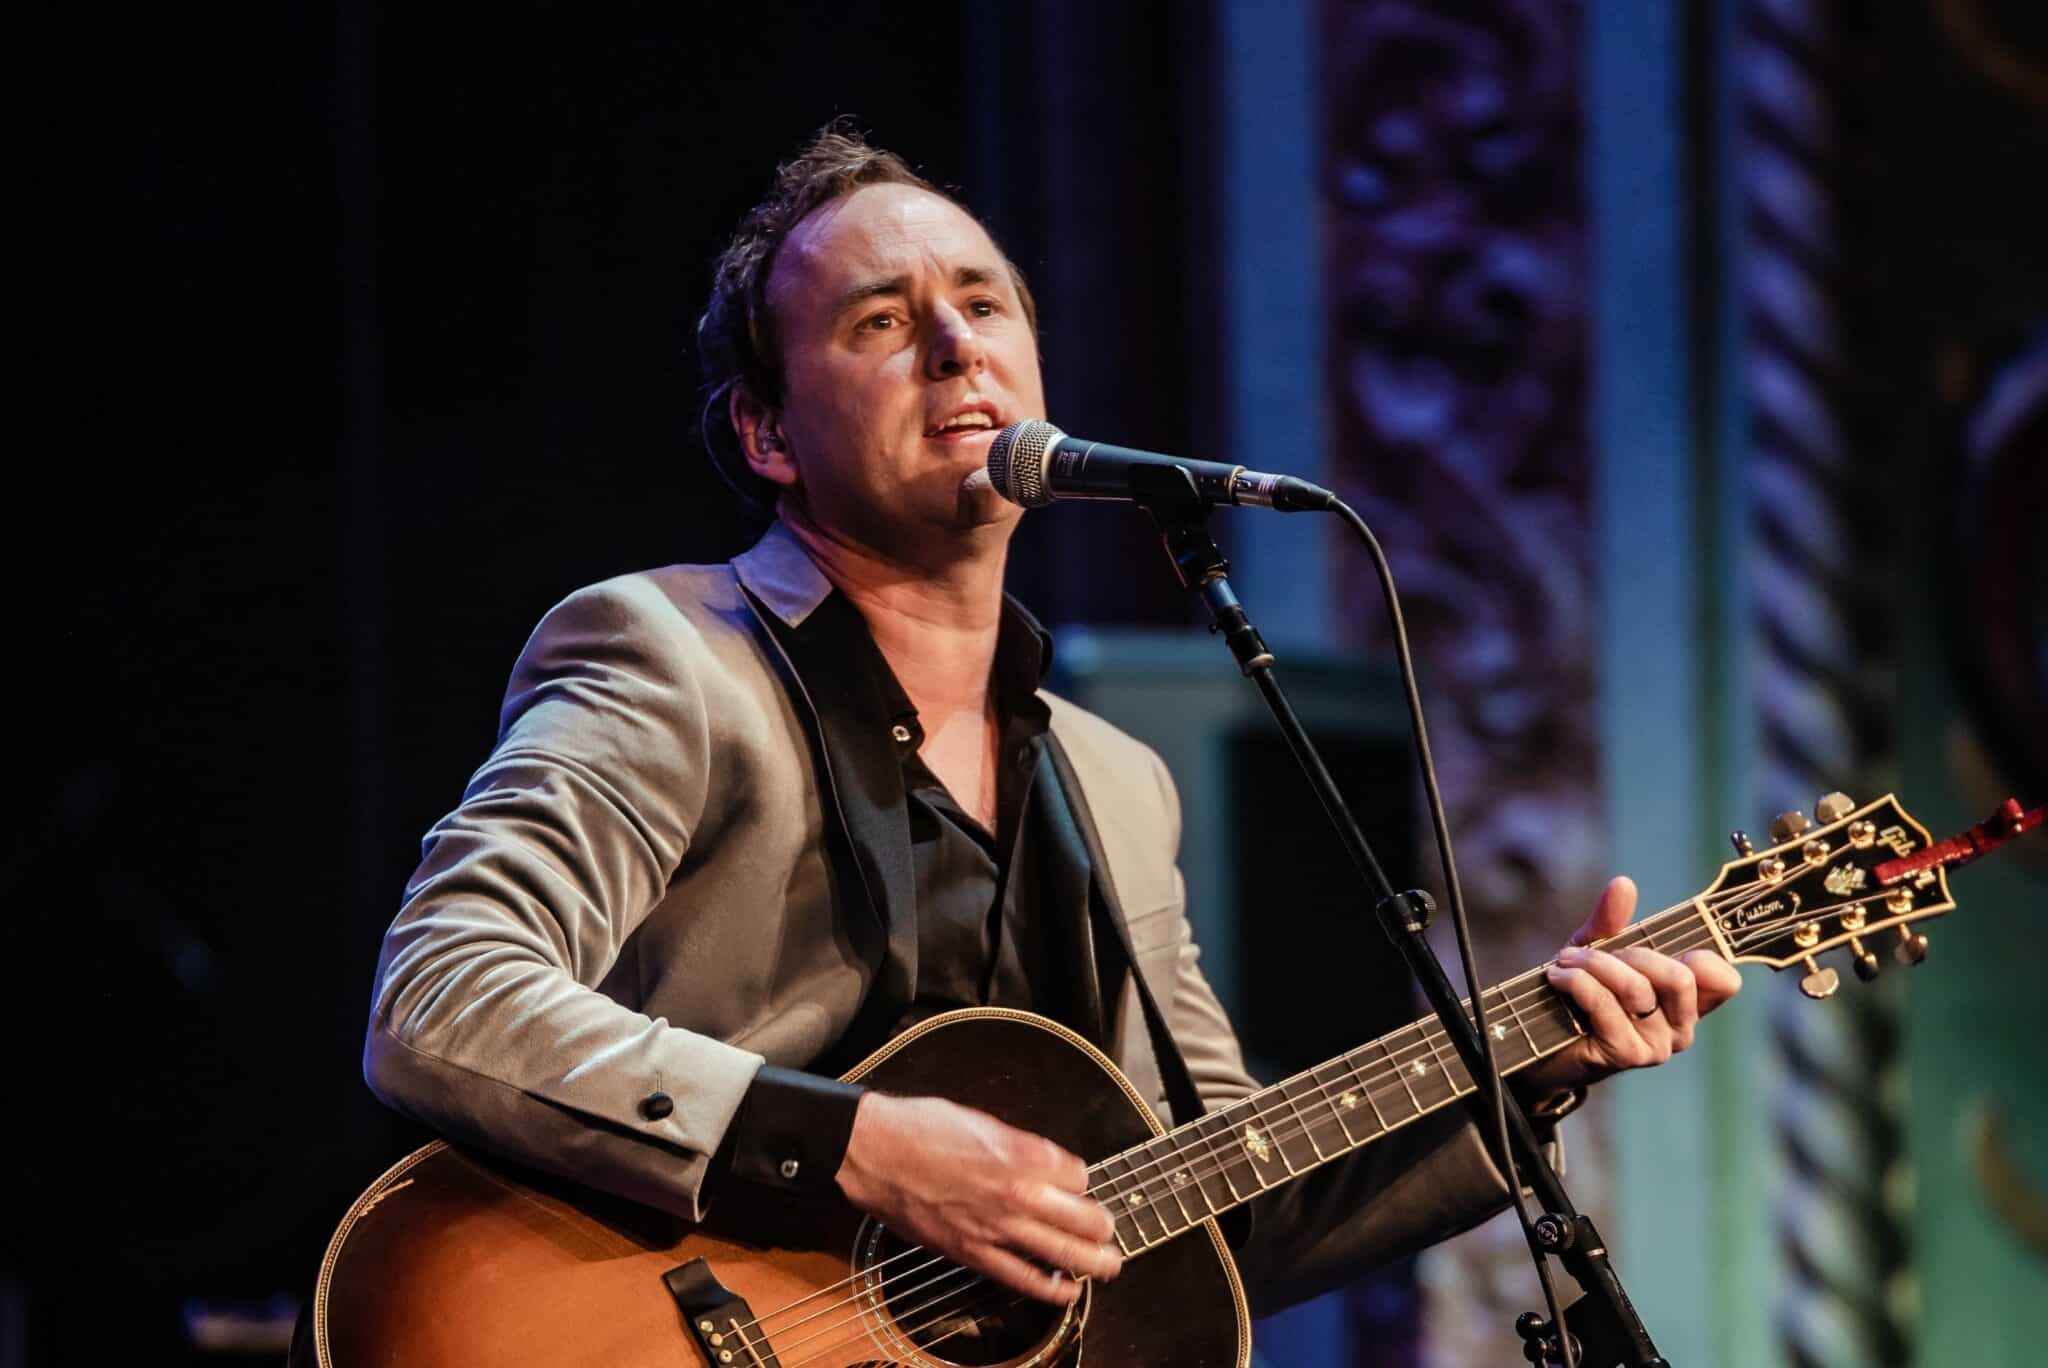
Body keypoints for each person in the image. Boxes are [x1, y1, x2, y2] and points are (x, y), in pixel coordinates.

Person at [363, 125, 1743, 1319]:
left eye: (984, 305)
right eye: (881, 322)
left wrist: (1530, 1069)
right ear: (770, 434)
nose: (956, 345)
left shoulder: (1115, 783)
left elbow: (1225, 1218)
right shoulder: (673, 657)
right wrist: (861, 1147)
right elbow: (444, 997)